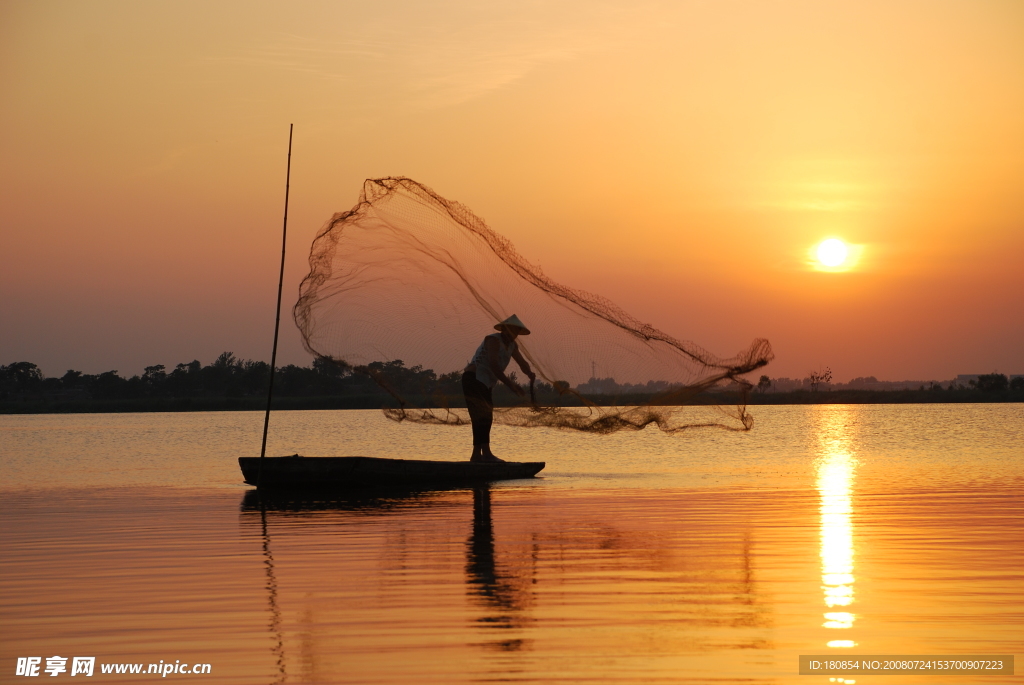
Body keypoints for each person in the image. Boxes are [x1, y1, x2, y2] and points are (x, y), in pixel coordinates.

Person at [462, 314, 536, 463]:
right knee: (482, 415)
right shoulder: (493, 340)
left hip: (486, 382)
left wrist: (529, 373)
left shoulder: (512, 346)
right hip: (474, 378)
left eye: (516, 332)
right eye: (512, 330)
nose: (514, 334)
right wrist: (512, 385)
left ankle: (477, 455)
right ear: (505, 329)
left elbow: (522, 362)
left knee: (485, 415)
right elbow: (494, 365)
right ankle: (484, 454)